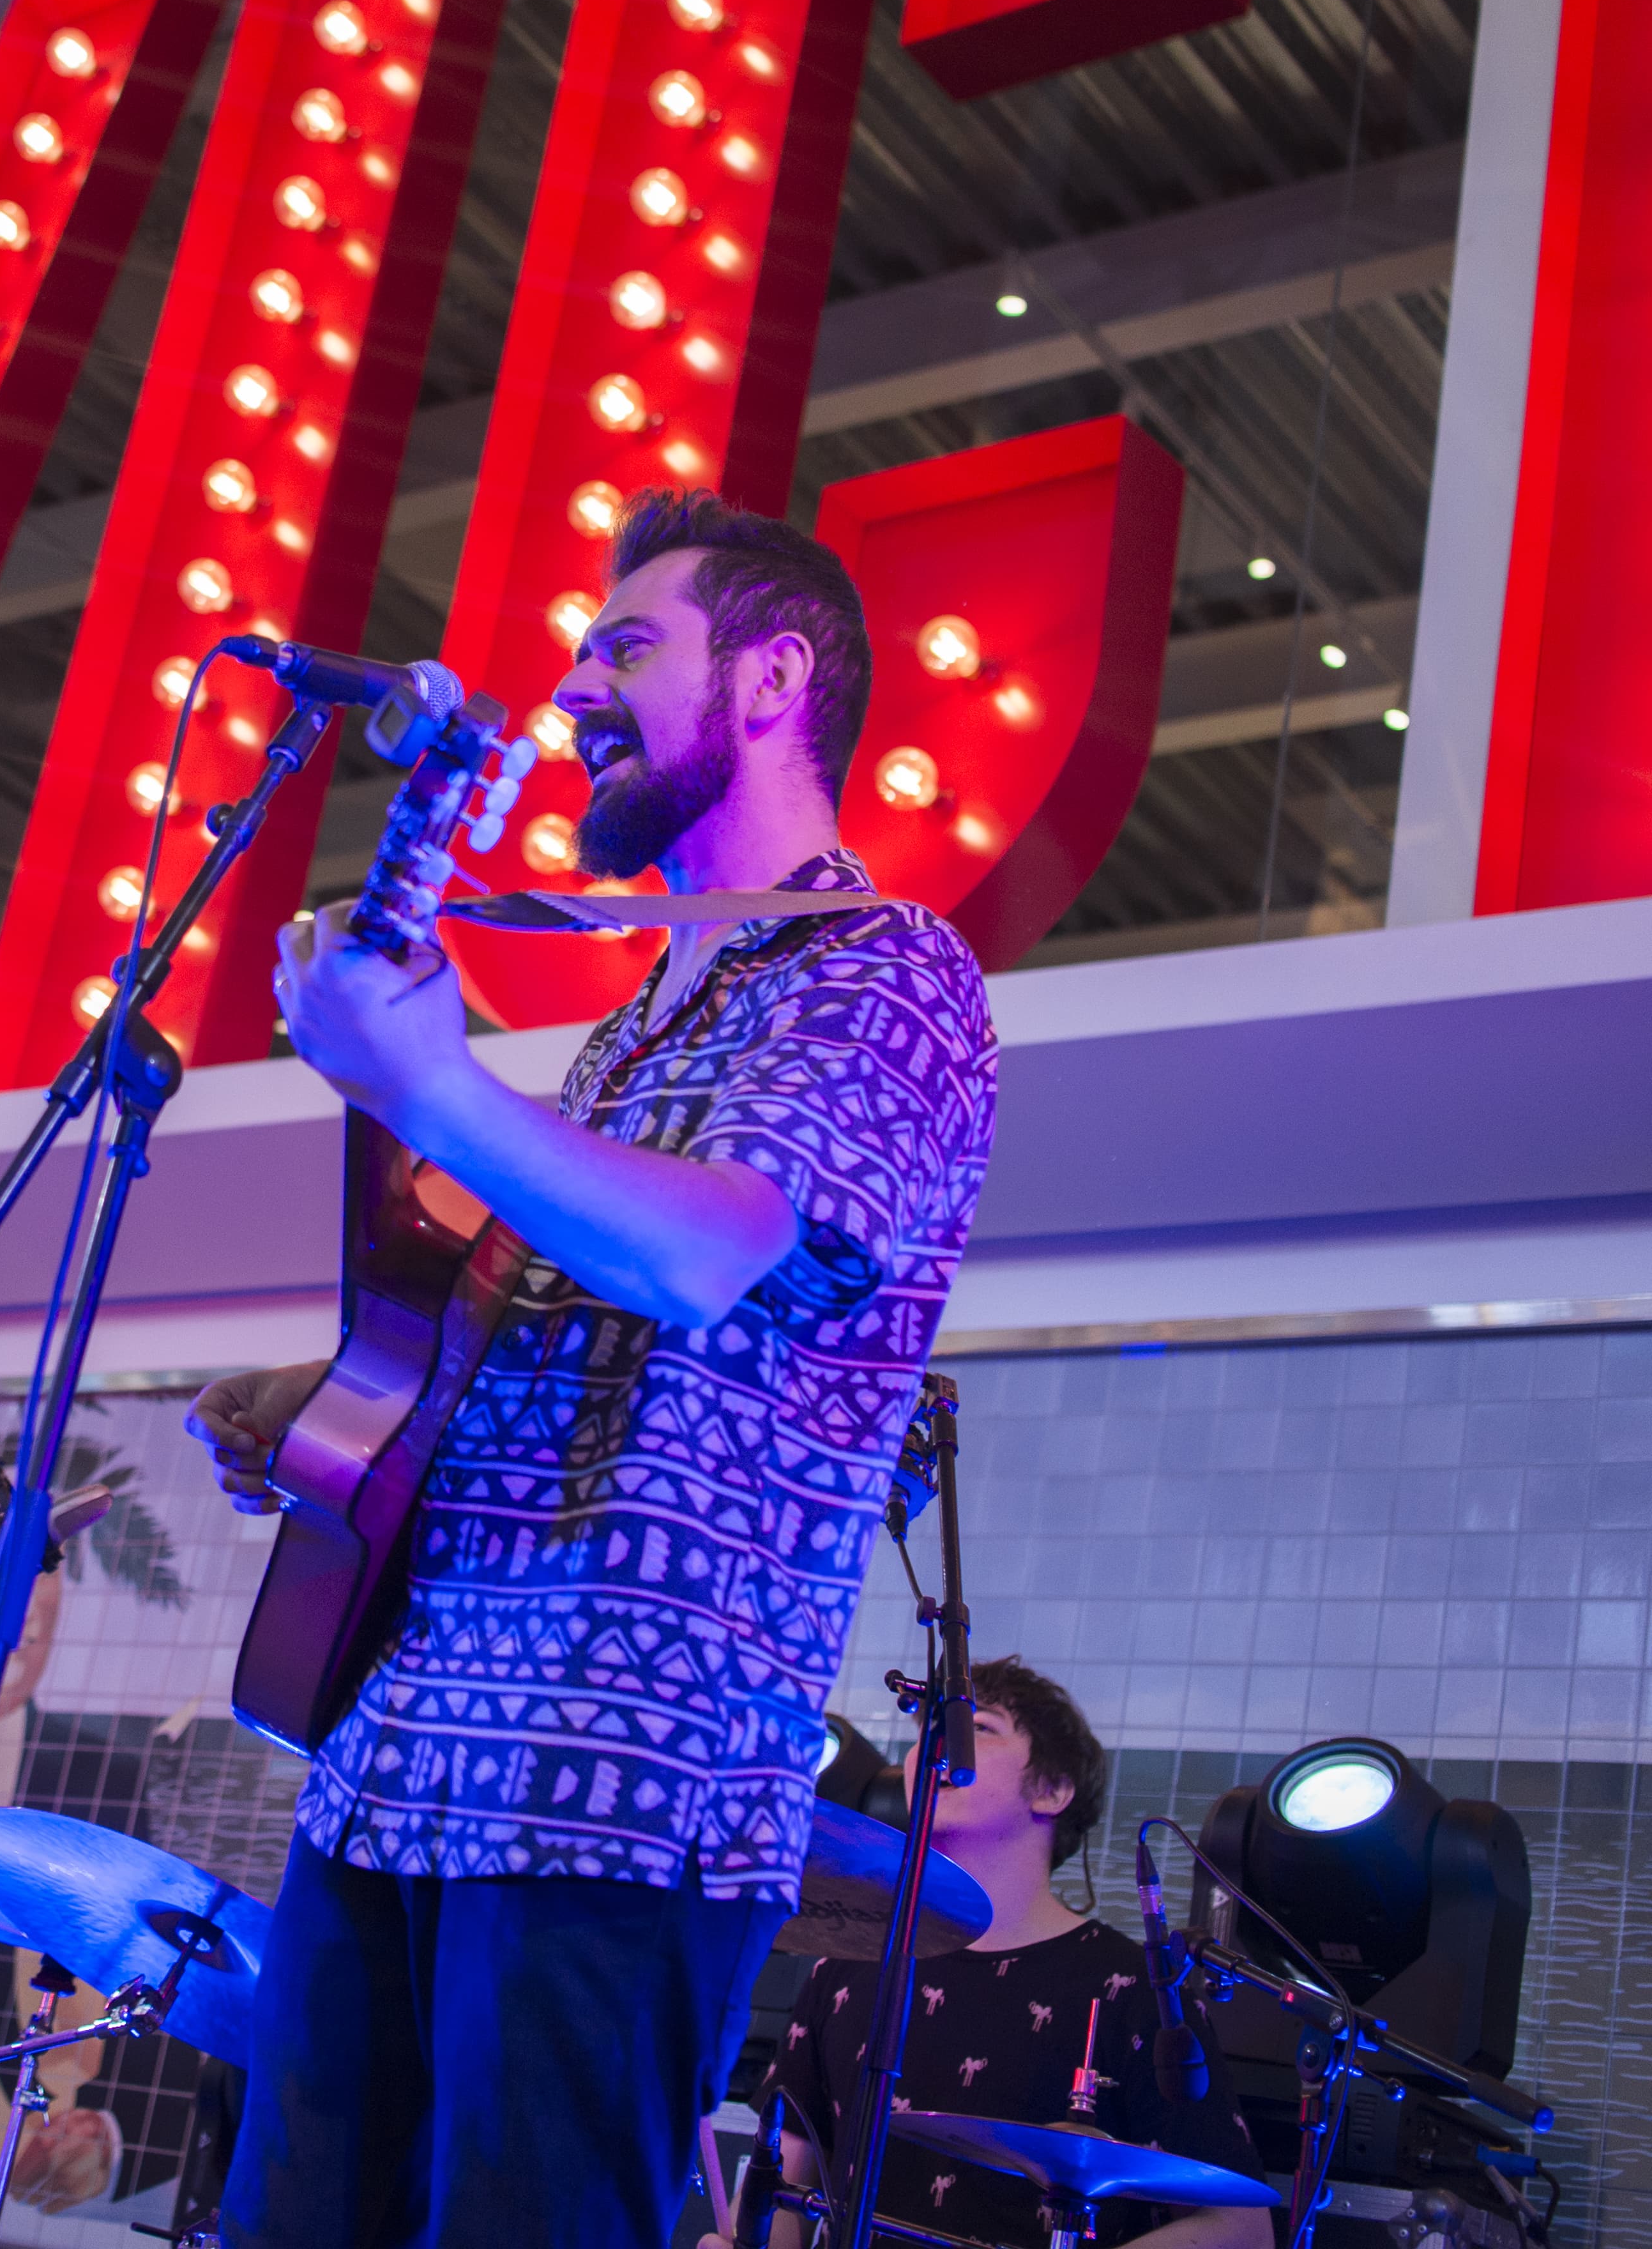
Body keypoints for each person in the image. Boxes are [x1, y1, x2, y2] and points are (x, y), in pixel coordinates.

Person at [188, 490, 1001, 2249]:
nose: (575, 688)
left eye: (626, 645)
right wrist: (341, 1410)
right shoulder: (638, 1027)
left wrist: (437, 1088)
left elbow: (712, 1252)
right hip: (399, 1751)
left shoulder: (891, 975)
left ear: (774, 676)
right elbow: (560, 1320)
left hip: (613, 1783)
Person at [730, 1659, 1271, 2249]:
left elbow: (1239, 2227)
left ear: (1053, 1789)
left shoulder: (1135, 1989)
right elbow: (776, 2183)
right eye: (924, 1732)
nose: (933, 1747)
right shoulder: (847, 1965)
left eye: (975, 1728)